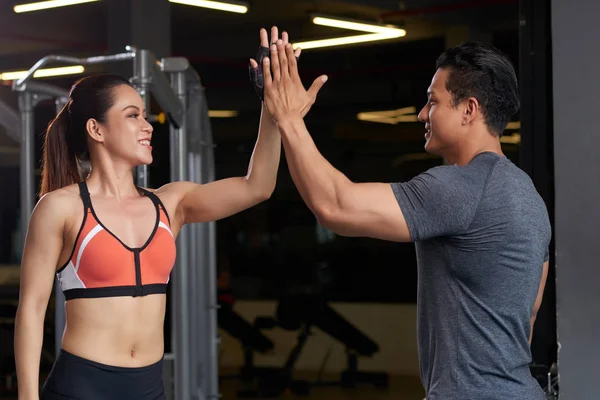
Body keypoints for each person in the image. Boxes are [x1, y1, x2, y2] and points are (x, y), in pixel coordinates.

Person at [258, 37, 551, 399]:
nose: (421, 114)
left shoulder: (460, 188)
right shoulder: (529, 196)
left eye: (433, 101)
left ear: (469, 109)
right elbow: (530, 314)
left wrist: (288, 119)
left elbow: (336, 205)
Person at [13, 27, 291, 400]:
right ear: (96, 129)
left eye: (146, 115)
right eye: (132, 116)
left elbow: (258, 186)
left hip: (149, 388)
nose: (147, 126)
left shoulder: (170, 203)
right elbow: (30, 311)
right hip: (82, 387)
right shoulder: (60, 208)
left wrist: (271, 108)